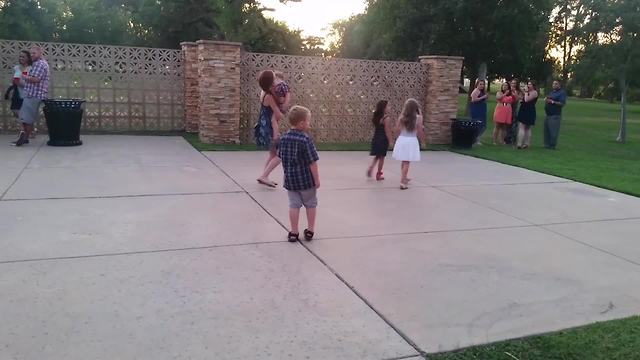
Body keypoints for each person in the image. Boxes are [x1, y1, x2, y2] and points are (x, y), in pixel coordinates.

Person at [278, 105, 320, 242]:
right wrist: (317, 180)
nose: (309, 124)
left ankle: (294, 232)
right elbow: (312, 162)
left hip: (290, 180)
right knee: (311, 204)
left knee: (294, 205)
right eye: (308, 121)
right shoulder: (305, 139)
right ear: (301, 123)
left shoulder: (283, 138)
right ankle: (310, 230)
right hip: (306, 181)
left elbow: (281, 158)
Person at [255, 70, 285, 187]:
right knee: (279, 155)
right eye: (274, 78)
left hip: (264, 126)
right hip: (270, 129)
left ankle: (264, 176)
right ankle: (264, 176)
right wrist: (282, 107)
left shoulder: (263, 92)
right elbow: (278, 115)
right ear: (271, 82)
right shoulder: (270, 97)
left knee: (272, 155)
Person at [14, 46, 49, 147]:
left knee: (26, 119)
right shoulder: (37, 64)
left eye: (34, 53)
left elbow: (36, 79)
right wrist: (25, 74)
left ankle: (25, 137)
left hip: (33, 95)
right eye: (31, 53)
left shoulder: (39, 64)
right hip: (32, 94)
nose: (32, 55)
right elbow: (29, 75)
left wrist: (24, 77)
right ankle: (25, 137)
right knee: (26, 118)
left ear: (40, 53)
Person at [392, 98, 425, 190]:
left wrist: (398, 139)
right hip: (411, 140)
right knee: (407, 161)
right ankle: (402, 182)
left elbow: (397, 129)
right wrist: (423, 141)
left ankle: (404, 177)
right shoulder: (418, 118)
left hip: (402, 139)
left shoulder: (402, 117)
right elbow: (419, 131)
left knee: (404, 160)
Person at [367, 100, 393, 180]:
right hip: (383, 139)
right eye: (388, 106)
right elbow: (387, 131)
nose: (390, 108)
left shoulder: (377, 117)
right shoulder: (386, 118)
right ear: (384, 108)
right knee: (382, 157)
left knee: (377, 156)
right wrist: (391, 141)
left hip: (376, 138)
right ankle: (378, 174)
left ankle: (371, 167)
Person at [4, 50, 32, 120]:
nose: (21, 58)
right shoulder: (16, 68)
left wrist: (20, 83)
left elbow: (31, 82)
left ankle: (24, 129)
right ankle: (23, 128)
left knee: (25, 114)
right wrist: (13, 82)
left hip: (26, 94)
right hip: (16, 93)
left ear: (28, 58)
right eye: (20, 56)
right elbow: (13, 79)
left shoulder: (30, 69)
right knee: (15, 111)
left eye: (23, 57)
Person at [544, 80, 567, 150]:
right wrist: (547, 99)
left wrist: (552, 101)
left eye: (556, 84)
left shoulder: (562, 93)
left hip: (555, 115)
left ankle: (552, 145)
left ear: (559, 85)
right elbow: (549, 99)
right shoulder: (552, 92)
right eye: (553, 83)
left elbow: (562, 103)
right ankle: (547, 145)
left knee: (553, 131)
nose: (554, 85)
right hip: (548, 114)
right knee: (546, 130)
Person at [516, 81, 538, 149]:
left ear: (533, 85)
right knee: (521, 126)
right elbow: (520, 98)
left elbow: (527, 99)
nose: (528, 85)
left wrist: (525, 92)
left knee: (527, 127)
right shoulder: (526, 91)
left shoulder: (534, 92)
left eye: (530, 84)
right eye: (528, 84)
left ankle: (525, 143)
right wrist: (522, 93)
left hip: (529, 110)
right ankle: (520, 143)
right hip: (523, 109)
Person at [469, 79, 488, 145]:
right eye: (480, 84)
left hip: (482, 109)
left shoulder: (481, 91)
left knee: (483, 125)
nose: (482, 85)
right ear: (477, 84)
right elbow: (473, 100)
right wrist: (483, 97)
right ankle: (474, 139)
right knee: (478, 124)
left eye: (483, 84)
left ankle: (477, 138)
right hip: (477, 109)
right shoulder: (476, 91)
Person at [504, 79, 522, 145]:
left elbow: (518, 99)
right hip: (507, 109)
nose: (513, 84)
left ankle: (513, 139)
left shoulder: (518, 91)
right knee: (507, 125)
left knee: (514, 125)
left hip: (515, 109)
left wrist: (515, 94)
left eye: (515, 83)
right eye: (512, 83)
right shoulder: (508, 91)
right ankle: (506, 139)